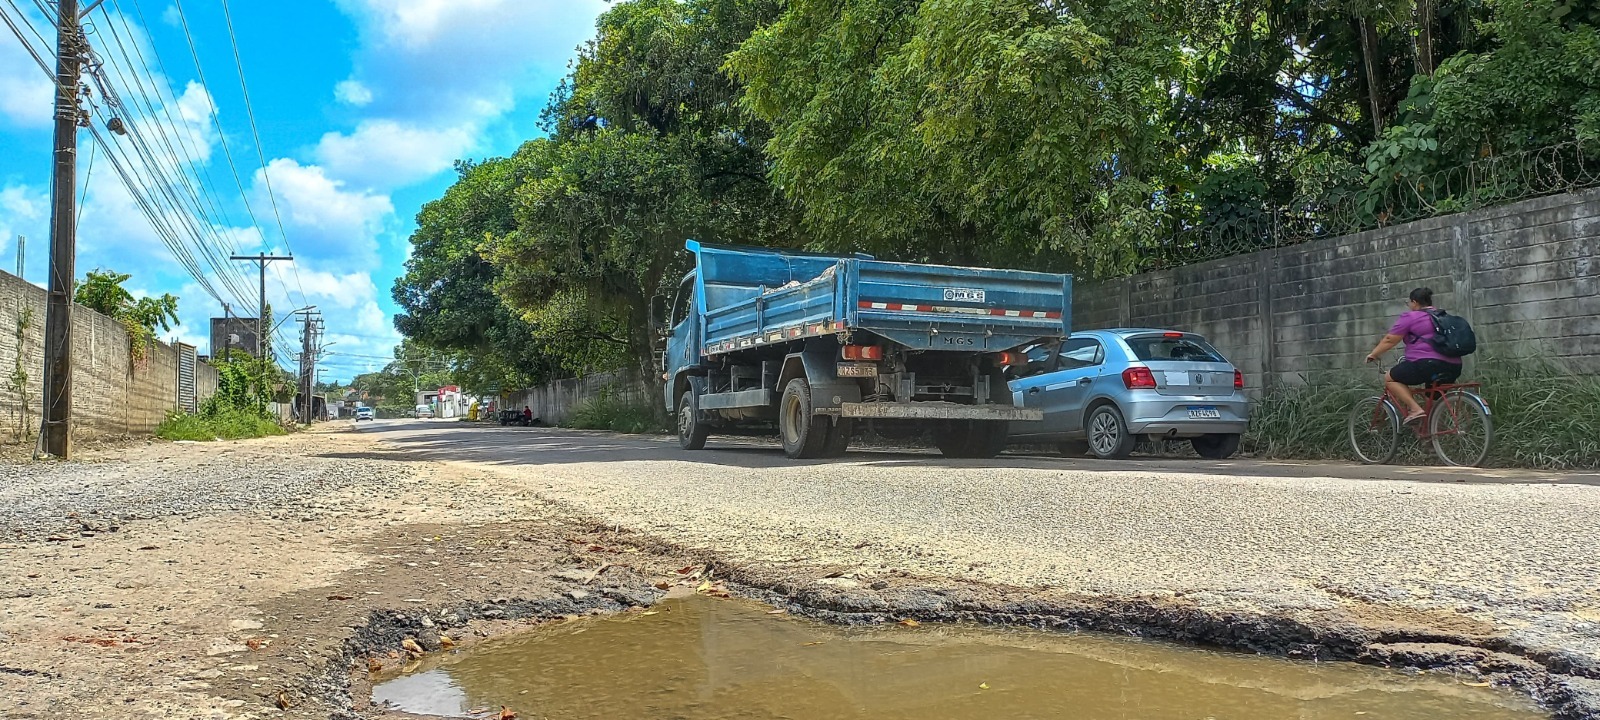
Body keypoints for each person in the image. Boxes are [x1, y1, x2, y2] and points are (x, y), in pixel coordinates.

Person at [1365, 287, 1463, 424]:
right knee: (1431, 401)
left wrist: (1373, 354)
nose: (1409, 306)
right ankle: (1432, 435)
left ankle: (1415, 409)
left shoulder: (1411, 317)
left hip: (1427, 364)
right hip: (1454, 366)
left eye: (1409, 303)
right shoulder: (1443, 316)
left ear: (1414, 302)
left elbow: (1390, 340)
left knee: (1390, 378)